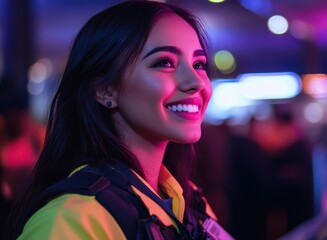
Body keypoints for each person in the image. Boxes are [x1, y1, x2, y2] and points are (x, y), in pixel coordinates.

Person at [7, 1, 233, 239]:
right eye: (164, 63)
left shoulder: (191, 203)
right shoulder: (70, 221)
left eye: (199, 65)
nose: (196, 82)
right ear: (105, 90)